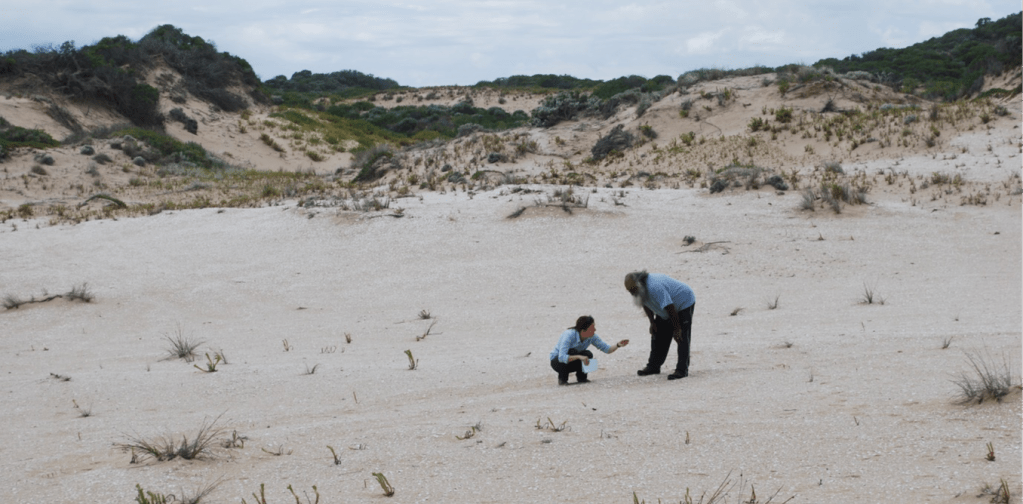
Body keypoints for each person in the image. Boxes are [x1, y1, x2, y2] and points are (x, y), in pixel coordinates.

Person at [624, 270, 695, 380]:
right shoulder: (641, 289)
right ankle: (653, 366)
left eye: (633, 291)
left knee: (681, 337)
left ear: (639, 285)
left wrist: (677, 329)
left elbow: (670, 308)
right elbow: (645, 303)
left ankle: (682, 370)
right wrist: (652, 323)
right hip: (666, 308)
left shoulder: (654, 287)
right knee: (657, 333)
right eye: (630, 291)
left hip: (683, 302)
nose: (632, 294)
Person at [549, 316, 629, 385]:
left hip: (572, 360)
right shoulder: (568, 335)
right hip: (557, 362)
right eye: (592, 327)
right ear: (583, 331)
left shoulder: (592, 336)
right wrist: (580, 357)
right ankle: (562, 380)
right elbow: (561, 357)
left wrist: (618, 345)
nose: (595, 329)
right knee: (573, 352)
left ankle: (582, 378)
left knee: (588, 354)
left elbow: (607, 349)